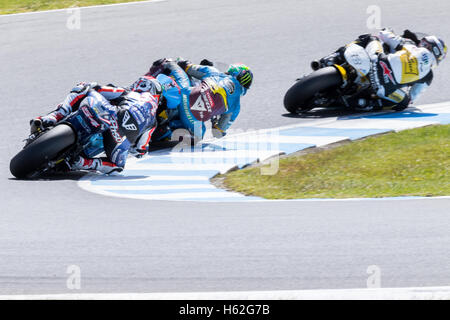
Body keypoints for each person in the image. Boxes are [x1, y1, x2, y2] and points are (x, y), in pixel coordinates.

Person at [29, 76, 163, 174]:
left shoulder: (127, 92)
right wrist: (131, 143)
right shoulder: (152, 122)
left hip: (108, 113)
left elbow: (97, 89)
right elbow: (140, 151)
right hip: (118, 138)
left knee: (84, 86)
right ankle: (83, 163)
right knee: (117, 165)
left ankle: (53, 117)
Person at [313, 28, 447, 111]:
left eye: (424, 43)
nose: (421, 43)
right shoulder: (428, 76)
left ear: (427, 45)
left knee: (370, 38)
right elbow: (413, 97)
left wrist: (388, 31)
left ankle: (332, 58)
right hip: (384, 88)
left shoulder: (409, 44)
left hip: (377, 62)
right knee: (404, 103)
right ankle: (365, 103)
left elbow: (384, 35)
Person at [146, 57, 253, 140]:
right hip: (191, 116)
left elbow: (186, 66)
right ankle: (167, 130)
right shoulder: (236, 107)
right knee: (198, 136)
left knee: (169, 63)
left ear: (233, 72)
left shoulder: (215, 72)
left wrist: (180, 61)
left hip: (184, 95)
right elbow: (218, 133)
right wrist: (214, 121)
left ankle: (145, 83)